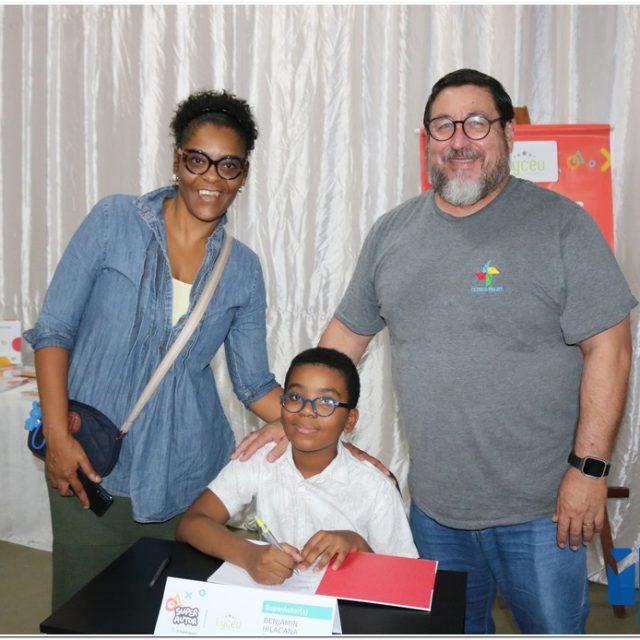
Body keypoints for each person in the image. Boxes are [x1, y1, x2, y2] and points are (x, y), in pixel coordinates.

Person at [234, 69, 637, 633]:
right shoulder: (392, 234)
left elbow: (611, 349)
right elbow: (343, 341)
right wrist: (294, 415)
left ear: (508, 135)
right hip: (435, 515)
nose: (459, 140)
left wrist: (590, 472)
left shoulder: (561, 226)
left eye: (476, 123)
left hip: (543, 512)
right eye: (443, 126)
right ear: (427, 140)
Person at [24, 90, 284, 608]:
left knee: (172, 616)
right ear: (177, 160)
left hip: (186, 474)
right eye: (198, 160)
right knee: (83, 613)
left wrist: (320, 426)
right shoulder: (114, 221)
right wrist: (56, 435)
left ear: (243, 175)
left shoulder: (244, 269)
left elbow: (253, 384)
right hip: (89, 462)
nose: (211, 177)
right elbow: (54, 331)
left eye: (228, 165)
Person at [177, 347, 418, 585]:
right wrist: (249, 555)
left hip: (346, 604)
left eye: (325, 402)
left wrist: (358, 546)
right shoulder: (262, 459)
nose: (306, 411)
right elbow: (191, 523)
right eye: (295, 397)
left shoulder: (376, 488)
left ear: (349, 420)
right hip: (275, 602)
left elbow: (405, 581)